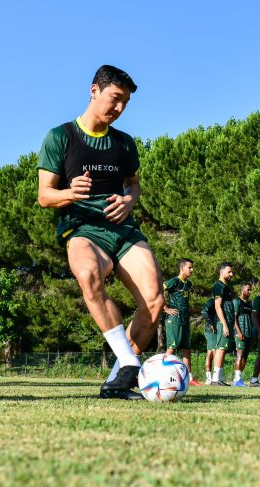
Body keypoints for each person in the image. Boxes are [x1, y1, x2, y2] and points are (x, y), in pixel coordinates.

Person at [37, 65, 164, 399]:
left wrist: (129, 201)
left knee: (154, 302)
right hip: (83, 228)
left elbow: (133, 185)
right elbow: (44, 196)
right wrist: (69, 193)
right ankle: (130, 363)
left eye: (125, 103)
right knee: (90, 275)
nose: (119, 108)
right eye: (115, 98)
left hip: (122, 230)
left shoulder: (124, 143)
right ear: (94, 90)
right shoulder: (61, 136)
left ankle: (117, 381)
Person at [163, 258, 200, 385]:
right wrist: (166, 308)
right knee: (172, 348)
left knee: (187, 350)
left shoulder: (188, 284)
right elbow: (158, 290)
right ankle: (162, 375)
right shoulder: (174, 281)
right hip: (174, 320)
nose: (192, 270)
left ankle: (190, 379)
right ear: (182, 268)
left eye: (192, 267)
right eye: (190, 267)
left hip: (184, 320)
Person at [211, 263, 236, 385]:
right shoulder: (218, 285)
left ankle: (219, 379)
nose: (232, 274)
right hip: (223, 323)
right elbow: (217, 306)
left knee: (224, 349)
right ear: (222, 272)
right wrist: (224, 324)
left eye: (232, 272)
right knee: (220, 349)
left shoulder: (226, 287)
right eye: (229, 272)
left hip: (229, 323)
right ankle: (215, 379)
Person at [232, 281, 253, 386]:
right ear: (242, 289)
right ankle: (237, 380)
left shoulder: (250, 303)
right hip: (240, 333)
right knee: (239, 355)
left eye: (250, 290)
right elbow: (234, 318)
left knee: (245, 357)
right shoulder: (237, 301)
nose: (250, 292)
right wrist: (239, 332)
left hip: (249, 333)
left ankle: (237, 379)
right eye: (248, 289)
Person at [201, 297, 217, 384]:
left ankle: (209, 378)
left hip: (214, 331)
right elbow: (203, 311)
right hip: (211, 331)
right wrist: (211, 324)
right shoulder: (211, 301)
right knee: (214, 353)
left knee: (210, 352)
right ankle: (213, 377)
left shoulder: (219, 301)